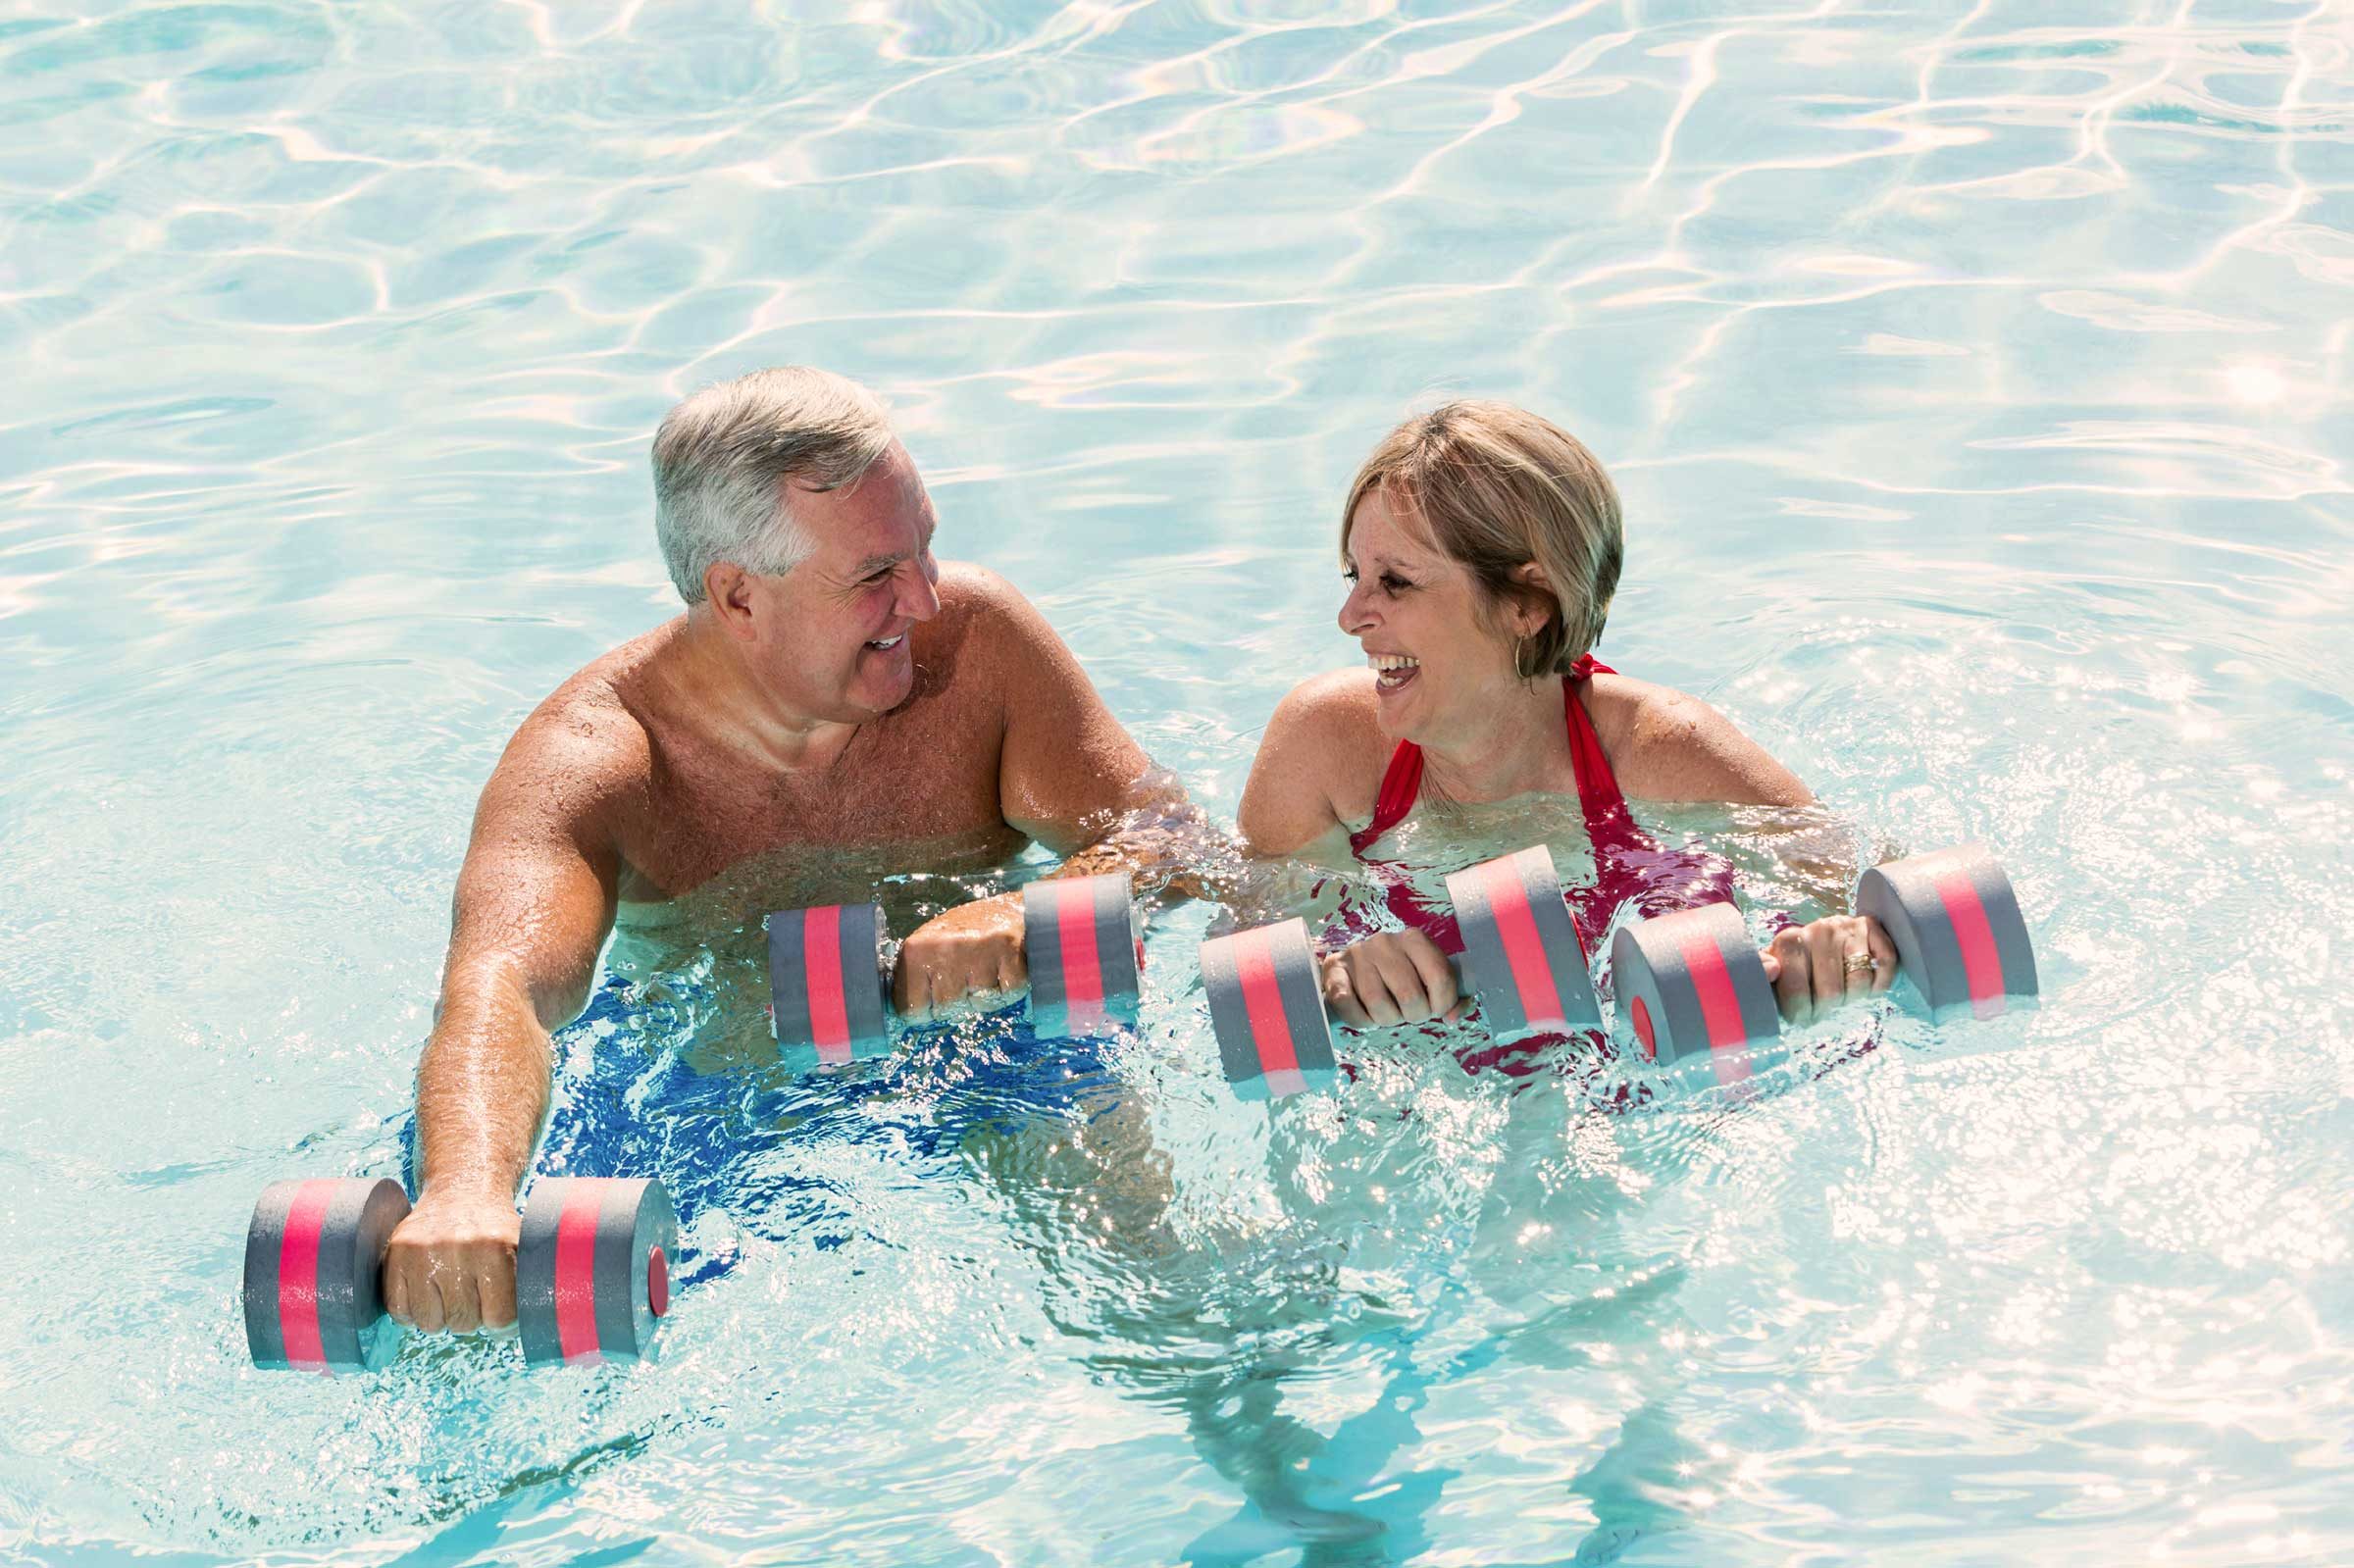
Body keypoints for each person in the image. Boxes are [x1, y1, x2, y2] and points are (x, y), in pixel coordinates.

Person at [384, 367, 1183, 1338]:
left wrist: (1023, 912)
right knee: (485, 1319)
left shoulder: (983, 653)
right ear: (738, 598)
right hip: (722, 1100)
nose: (926, 600)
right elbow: (499, 989)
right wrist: (465, 1192)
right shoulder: (597, 761)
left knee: (1157, 1300)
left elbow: (1173, 841)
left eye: (926, 548)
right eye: (877, 576)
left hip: (993, 1044)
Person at [1238, 399, 1896, 1034]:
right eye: (1353, 574)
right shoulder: (1322, 749)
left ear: (1528, 603)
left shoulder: (1664, 749)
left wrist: (1842, 953)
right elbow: (1241, 965)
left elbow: (1886, 898)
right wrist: (1329, 976)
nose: (1350, 617)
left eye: (1396, 581)